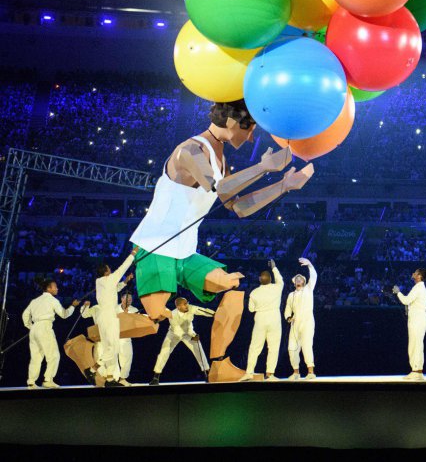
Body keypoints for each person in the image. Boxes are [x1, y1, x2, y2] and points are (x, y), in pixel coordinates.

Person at [131, 100, 313, 322]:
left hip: (185, 252)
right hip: (155, 247)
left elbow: (239, 207)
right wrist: (263, 168)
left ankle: (218, 358)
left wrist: (283, 186)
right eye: (249, 130)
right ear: (230, 121)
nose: (251, 138)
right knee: (155, 319)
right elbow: (218, 188)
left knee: (231, 287)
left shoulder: (222, 161)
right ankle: (89, 340)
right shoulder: (190, 150)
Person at [22, 278, 80, 388]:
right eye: (55, 286)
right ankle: (47, 380)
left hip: (34, 329)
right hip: (45, 327)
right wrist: (73, 306)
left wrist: (31, 326)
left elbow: (25, 315)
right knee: (54, 355)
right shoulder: (53, 300)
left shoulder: (35, 301)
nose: (57, 288)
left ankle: (31, 382)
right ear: (49, 288)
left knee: (36, 357)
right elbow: (64, 314)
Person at [94, 247, 138, 387]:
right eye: (109, 269)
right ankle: (93, 368)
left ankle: (110, 378)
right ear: (106, 272)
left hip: (103, 316)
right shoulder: (109, 279)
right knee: (113, 348)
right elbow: (123, 267)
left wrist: (124, 282)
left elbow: (115, 288)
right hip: (109, 316)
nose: (111, 270)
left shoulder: (101, 282)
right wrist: (133, 254)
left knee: (109, 347)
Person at [149, 297, 214, 385]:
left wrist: (214, 314)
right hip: (173, 334)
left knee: (198, 349)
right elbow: (177, 331)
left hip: (188, 333)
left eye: (187, 303)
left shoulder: (190, 308)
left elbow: (202, 311)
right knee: (164, 352)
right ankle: (156, 377)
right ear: (178, 307)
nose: (187, 305)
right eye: (184, 304)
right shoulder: (172, 314)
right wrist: (192, 338)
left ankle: (208, 374)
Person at [240, 260, 284, 381]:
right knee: (273, 347)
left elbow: (250, 309)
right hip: (274, 317)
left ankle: (249, 372)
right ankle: (270, 374)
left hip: (260, 318)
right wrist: (274, 268)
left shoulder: (254, 293)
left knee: (255, 347)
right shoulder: (277, 288)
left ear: (260, 280)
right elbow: (280, 279)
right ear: (270, 279)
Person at [393, 268, 426, 380]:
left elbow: (406, 300)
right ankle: (417, 371)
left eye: (415, 273)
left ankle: (416, 370)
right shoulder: (419, 288)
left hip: (418, 319)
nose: (413, 273)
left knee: (415, 344)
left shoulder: (418, 288)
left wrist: (398, 292)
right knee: (417, 344)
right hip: (418, 318)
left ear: (419, 276)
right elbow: (411, 302)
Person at [284, 257, 317, 380]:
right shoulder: (291, 295)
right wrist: (288, 317)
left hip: (307, 322)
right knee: (292, 347)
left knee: (307, 345)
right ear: (294, 282)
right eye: (296, 278)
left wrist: (310, 265)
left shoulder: (308, 289)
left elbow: (313, 277)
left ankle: (310, 371)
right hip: (295, 323)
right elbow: (288, 308)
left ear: (303, 281)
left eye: (301, 278)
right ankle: (296, 372)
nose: (298, 279)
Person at [116, 291, 141, 386]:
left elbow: (137, 323)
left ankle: (122, 379)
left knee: (127, 358)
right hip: (113, 336)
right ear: (121, 299)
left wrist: (129, 316)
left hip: (126, 337)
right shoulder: (114, 308)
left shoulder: (134, 310)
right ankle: (111, 379)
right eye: (127, 299)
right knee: (111, 359)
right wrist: (123, 315)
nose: (129, 301)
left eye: (130, 299)